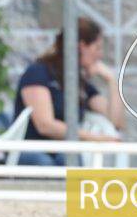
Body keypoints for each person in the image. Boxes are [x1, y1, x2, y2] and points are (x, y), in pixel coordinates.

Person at [14, 17, 127, 166]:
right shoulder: (39, 72)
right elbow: (45, 125)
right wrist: (94, 138)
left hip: (62, 151)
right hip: (31, 150)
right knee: (49, 162)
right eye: (97, 48)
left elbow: (116, 122)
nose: (100, 55)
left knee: (70, 158)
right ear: (82, 46)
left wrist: (112, 81)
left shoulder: (79, 82)